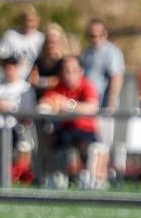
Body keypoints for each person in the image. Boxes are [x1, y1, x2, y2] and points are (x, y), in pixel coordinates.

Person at [41, 55, 100, 186]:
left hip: (85, 131)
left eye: (73, 70)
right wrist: (49, 105)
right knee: (49, 136)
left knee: (86, 146)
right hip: (65, 130)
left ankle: (87, 177)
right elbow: (46, 102)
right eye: (66, 71)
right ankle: (55, 175)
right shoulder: (58, 87)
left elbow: (92, 107)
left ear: (81, 71)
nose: (70, 74)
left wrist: (68, 105)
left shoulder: (87, 85)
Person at [80, 19, 125, 113]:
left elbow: (116, 77)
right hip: (88, 103)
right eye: (93, 35)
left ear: (105, 34)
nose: (96, 38)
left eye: (100, 34)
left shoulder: (112, 52)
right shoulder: (87, 53)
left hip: (104, 105)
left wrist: (111, 103)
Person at [0, 6, 44, 78]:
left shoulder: (41, 39)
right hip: (11, 80)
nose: (29, 24)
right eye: (26, 20)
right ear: (21, 21)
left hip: (32, 80)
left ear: (38, 21)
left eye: (32, 20)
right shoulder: (10, 36)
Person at [30, 22, 69, 96]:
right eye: (48, 41)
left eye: (54, 42)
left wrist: (41, 82)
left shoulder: (66, 61)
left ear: (61, 41)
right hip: (39, 98)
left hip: (59, 97)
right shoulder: (39, 61)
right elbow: (33, 80)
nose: (51, 45)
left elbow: (60, 80)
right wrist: (49, 81)